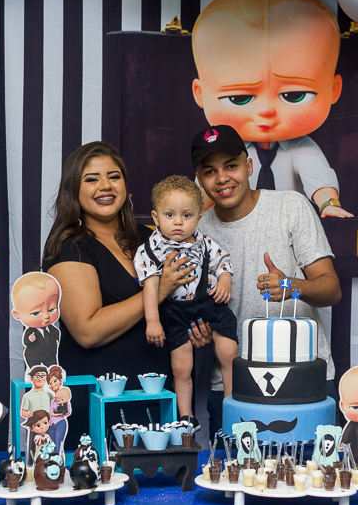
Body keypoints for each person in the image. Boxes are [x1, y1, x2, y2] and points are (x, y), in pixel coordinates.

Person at [42, 142, 212, 437]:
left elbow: (182, 301)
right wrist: (158, 292)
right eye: (91, 178)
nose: (105, 186)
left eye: (114, 176)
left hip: (158, 394)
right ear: (74, 189)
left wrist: (196, 328)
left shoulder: (151, 237)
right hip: (103, 401)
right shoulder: (70, 246)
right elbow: (86, 331)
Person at [192, 124, 342, 436]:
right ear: (200, 179)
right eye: (210, 171)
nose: (222, 178)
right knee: (234, 478)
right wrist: (198, 327)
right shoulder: (196, 233)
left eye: (231, 166)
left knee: (311, 475)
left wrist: (291, 285)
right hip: (233, 383)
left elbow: (331, 289)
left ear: (248, 166)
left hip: (302, 374)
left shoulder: (291, 207)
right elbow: (193, 304)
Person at [191, 0, 352, 218]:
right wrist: (190, 212)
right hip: (234, 226)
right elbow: (205, 188)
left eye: (294, 95)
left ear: (333, 89)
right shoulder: (222, 150)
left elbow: (317, 176)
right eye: (239, 98)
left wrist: (328, 203)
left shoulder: (301, 147)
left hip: (287, 226)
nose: (266, 111)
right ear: (200, 93)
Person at [133, 175, 239, 426]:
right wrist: (152, 321)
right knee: (181, 368)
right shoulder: (149, 250)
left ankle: (230, 403)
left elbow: (223, 262)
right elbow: (150, 287)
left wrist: (225, 280)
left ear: (199, 217)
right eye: (170, 215)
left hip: (209, 305)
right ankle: (186, 416)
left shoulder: (205, 243)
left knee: (229, 352)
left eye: (187, 215)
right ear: (156, 217)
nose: (178, 222)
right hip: (177, 313)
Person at [11, 272, 61, 371]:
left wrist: (56, 341)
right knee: (36, 371)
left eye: (52, 310)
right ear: (17, 314)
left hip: (50, 355)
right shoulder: (30, 332)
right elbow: (26, 342)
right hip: (33, 357)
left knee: (53, 368)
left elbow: (56, 334)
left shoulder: (52, 329)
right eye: (36, 313)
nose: (46, 316)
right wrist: (30, 339)